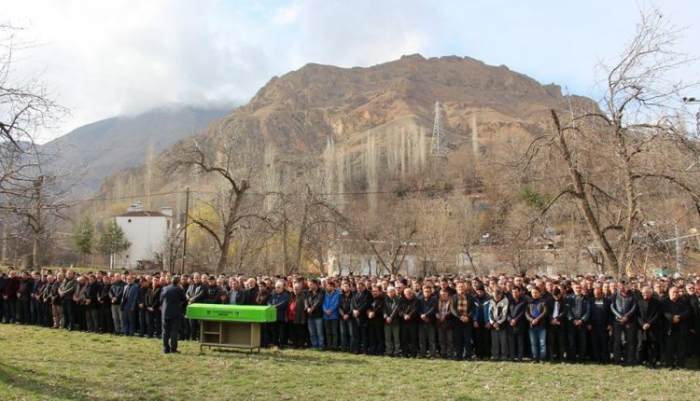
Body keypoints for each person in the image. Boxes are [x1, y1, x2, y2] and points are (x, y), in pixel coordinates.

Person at [611, 280, 638, 366]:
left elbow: (634, 307)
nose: (621, 287)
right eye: (619, 286)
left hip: (629, 321)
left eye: (623, 285)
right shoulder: (615, 294)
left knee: (629, 342)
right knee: (616, 341)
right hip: (617, 321)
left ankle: (629, 360)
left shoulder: (633, 295)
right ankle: (617, 360)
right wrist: (620, 316)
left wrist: (626, 316)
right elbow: (612, 307)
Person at [663, 286, 689, 370]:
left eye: (677, 292)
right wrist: (672, 318)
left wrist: (679, 317)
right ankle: (669, 364)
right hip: (669, 328)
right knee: (669, 348)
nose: (675, 294)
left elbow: (687, 311)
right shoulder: (664, 301)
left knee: (680, 348)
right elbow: (663, 312)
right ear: (669, 293)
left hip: (681, 328)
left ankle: (680, 364)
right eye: (673, 292)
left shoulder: (684, 301)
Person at [160, 275, 187, 354]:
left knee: (165, 331)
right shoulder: (179, 289)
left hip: (165, 312)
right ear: (178, 282)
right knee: (174, 332)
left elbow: (161, 300)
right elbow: (184, 300)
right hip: (175, 313)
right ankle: (173, 348)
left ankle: (165, 348)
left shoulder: (165, 288)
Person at [588, 283, 613, 364]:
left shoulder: (608, 301)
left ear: (602, 293)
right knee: (595, 343)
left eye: (598, 294)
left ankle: (606, 359)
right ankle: (597, 359)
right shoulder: (591, 301)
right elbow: (588, 313)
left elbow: (610, 314)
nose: (597, 296)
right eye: (595, 294)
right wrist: (588, 323)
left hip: (604, 326)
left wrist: (609, 324)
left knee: (604, 343)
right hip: (594, 326)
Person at [637, 285, 660, 368]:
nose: (644, 295)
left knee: (653, 346)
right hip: (642, 328)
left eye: (645, 293)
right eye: (642, 293)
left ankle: (653, 362)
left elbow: (657, 315)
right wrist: (643, 324)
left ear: (650, 293)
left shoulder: (657, 302)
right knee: (640, 346)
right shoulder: (639, 302)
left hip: (653, 327)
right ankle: (640, 361)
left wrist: (649, 324)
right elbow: (638, 315)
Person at [566, 283, 588, 363]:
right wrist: (573, 320)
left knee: (582, 341)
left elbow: (588, 311)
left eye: (579, 288)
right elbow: (567, 311)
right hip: (572, 323)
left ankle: (582, 359)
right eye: (576, 288)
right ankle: (572, 358)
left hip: (582, 323)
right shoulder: (569, 298)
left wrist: (582, 320)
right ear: (573, 288)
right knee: (572, 341)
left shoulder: (586, 298)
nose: (578, 289)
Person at [451, 281, 473, 361]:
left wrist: (468, 317)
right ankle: (458, 355)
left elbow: (472, 309)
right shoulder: (454, 297)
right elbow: (452, 309)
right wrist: (460, 317)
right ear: (456, 289)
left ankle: (468, 355)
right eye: (459, 287)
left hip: (467, 321)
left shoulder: (470, 297)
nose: (461, 288)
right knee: (458, 339)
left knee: (467, 339)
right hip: (457, 321)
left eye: (462, 287)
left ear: (465, 288)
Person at [526, 286, 548, 363]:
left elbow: (545, 312)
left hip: (541, 325)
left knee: (542, 343)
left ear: (539, 293)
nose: (534, 294)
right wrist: (532, 320)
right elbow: (526, 313)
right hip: (532, 325)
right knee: (533, 343)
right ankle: (535, 358)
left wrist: (537, 319)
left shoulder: (543, 302)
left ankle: (542, 358)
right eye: (533, 293)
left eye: (536, 292)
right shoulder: (529, 302)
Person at [507, 286, 527, 362]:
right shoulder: (509, 301)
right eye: (513, 292)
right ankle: (512, 357)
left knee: (520, 343)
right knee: (511, 343)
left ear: (519, 292)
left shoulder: (523, 301)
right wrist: (510, 320)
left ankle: (520, 358)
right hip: (510, 325)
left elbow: (523, 312)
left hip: (520, 324)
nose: (514, 294)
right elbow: (507, 312)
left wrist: (515, 320)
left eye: (516, 292)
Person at [488, 288, 509, 361]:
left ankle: (504, 355)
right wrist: (492, 322)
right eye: (495, 297)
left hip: (502, 324)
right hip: (493, 324)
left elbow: (504, 313)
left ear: (501, 295)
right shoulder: (490, 301)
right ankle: (495, 355)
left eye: (498, 297)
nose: (496, 298)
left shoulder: (505, 301)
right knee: (494, 341)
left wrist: (498, 322)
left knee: (503, 341)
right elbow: (489, 312)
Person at [269, 280, 290, 349]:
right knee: (274, 331)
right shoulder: (273, 294)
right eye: (276, 287)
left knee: (281, 331)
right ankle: (275, 343)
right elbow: (269, 302)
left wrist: (275, 307)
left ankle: (282, 344)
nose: (276, 289)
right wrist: (270, 306)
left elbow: (284, 303)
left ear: (282, 288)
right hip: (273, 316)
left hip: (281, 316)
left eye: (278, 287)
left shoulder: (286, 295)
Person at [305, 279, 325, 350]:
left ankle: (321, 345)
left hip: (318, 315)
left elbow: (319, 301)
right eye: (309, 284)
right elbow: (306, 301)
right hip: (310, 315)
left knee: (319, 332)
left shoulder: (321, 292)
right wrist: (307, 308)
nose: (309, 286)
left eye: (311, 284)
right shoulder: (308, 292)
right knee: (312, 332)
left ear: (316, 284)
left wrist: (312, 308)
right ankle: (314, 345)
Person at [322, 281, 341, 351]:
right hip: (325, 315)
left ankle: (335, 346)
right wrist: (325, 310)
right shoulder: (325, 294)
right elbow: (323, 303)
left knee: (334, 332)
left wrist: (331, 310)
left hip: (334, 315)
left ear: (333, 287)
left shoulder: (338, 294)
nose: (327, 287)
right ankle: (329, 345)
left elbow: (337, 303)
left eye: (328, 286)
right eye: (327, 286)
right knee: (327, 332)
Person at [383, 285, 401, 357]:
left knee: (396, 338)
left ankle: (396, 352)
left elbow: (396, 309)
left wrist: (391, 317)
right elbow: (384, 310)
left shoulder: (398, 299)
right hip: (387, 322)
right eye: (388, 292)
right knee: (388, 338)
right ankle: (388, 351)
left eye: (391, 291)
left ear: (394, 292)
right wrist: (386, 317)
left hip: (395, 322)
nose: (390, 293)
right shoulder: (385, 300)